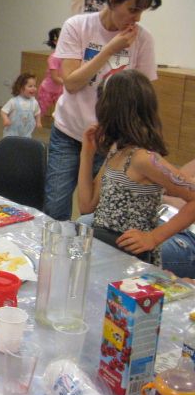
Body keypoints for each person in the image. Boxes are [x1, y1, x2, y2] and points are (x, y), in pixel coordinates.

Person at [44, 0, 161, 220]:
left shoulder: (143, 40)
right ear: (113, 0)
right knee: (55, 207)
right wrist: (110, 49)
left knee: (99, 213)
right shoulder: (77, 26)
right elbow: (71, 83)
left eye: (142, 11)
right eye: (133, 9)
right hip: (68, 133)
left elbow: (141, 99)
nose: (137, 18)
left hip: (111, 141)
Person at [78, 70, 195, 267]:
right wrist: (86, 154)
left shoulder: (144, 159)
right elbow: (86, 205)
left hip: (131, 257)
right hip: (108, 247)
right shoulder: (117, 151)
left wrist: (154, 237)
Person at [0, 72, 42, 138]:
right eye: (30, 86)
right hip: (12, 133)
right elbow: (3, 111)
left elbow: (37, 113)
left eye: (34, 86)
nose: (33, 88)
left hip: (26, 134)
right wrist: (6, 119)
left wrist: (38, 122)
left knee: (24, 144)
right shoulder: (13, 101)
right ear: (21, 88)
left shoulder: (34, 102)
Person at [35, 28, 63, 116]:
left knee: (60, 112)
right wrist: (69, 82)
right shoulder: (54, 57)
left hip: (59, 90)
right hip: (47, 90)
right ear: (55, 42)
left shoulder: (67, 57)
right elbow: (55, 78)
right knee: (40, 112)